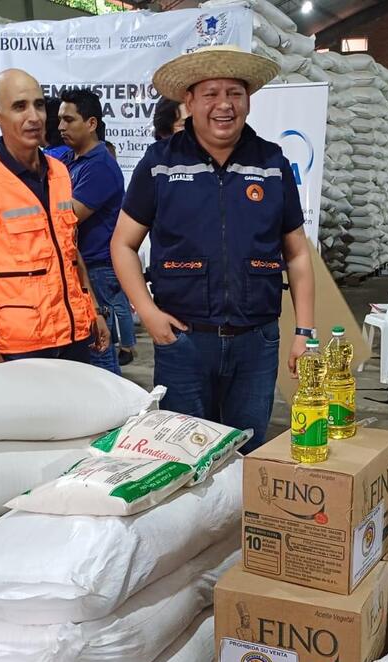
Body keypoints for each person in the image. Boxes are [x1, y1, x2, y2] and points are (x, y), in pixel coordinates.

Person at [111, 45, 316, 452]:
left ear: (248, 101)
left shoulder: (271, 163)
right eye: (211, 94)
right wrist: (148, 314)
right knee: (181, 456)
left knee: (247, 451)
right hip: (183, 341)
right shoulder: (160, 164)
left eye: (234, 94)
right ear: (188, 102)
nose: (224, 105)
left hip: (256, 343)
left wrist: (305, 332)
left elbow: (297, 253)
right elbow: (122, 244)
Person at [0, 69, 109, 364]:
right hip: (19, 346)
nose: (34, 116)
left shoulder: (59, 172)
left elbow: (69, 249)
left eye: (38, 104)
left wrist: (94, 310)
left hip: (73, 336)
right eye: (19, 106)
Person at [59, 88, 136, 372]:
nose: (60, 127)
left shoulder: (100, 165)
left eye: (69, 120)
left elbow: (68, 215)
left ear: (91, 124)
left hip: (97, 268)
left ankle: (113, 413)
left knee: (99, 346)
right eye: (60, 120)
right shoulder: (69, 160)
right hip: (79, 266)